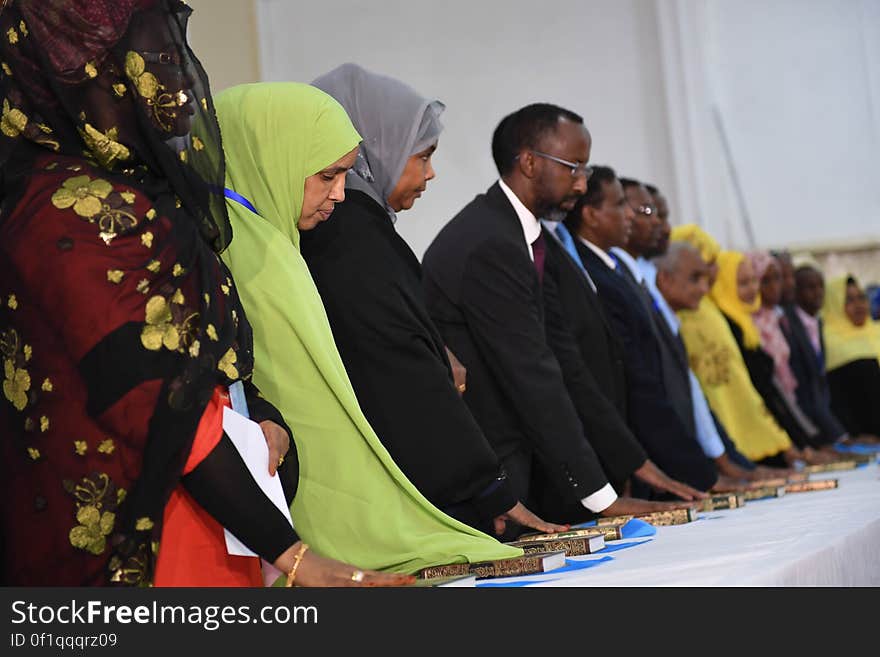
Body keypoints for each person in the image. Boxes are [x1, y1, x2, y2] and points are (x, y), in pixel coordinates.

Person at [0, 0, 410, 587]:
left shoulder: (95, 197)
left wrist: (255, 409)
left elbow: (197, 360)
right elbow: (158, 393)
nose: (176, 91)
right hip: (142, 544)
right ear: (85, 79)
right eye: (147, 62)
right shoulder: (77, 209)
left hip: (205, 515)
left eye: (172, 59)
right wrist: (297, 556)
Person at [215, 81, 522, 572]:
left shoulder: (270, 239)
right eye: (328, 175)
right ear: (274, 155)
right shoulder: (255, 252)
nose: (340, 193)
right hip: (264, 526)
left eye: (346, 174)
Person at [300, 63, 561, 537]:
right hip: (411, 491)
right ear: (379, 147)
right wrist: (486, 488)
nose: (432, 172)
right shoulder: (351, 236)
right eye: (422, 155)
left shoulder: (352, 229)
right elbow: (403, 372)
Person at [422, 104, 684, 532]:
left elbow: (562, 359)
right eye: (573, 168)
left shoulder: (520, 234)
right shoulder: (491, 242)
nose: (582, 184)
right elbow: (532, 373)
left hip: (519, 463)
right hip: (490, 477)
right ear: (528, 162)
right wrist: (600, 497)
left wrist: (626, 466)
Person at [563, 169, 720, 493]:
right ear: (590, 215)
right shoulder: (594, 276)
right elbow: (637, 379)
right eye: (623, 206)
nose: (632, 217)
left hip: (660, 451)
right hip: (637, 452)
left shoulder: (615, 269)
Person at [672, 227, 800, 467]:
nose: (714, 270)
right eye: (705, 265)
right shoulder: (694, 315)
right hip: (718, 447)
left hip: (745, 441)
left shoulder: (711, 313)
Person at [712, 251, 834, 457]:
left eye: (753, 281)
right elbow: (765, 392)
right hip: (752, 441)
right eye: (745, 283)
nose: (754, 289)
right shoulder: (735, 326)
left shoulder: (772, 322)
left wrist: (808, 442)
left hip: (785, 436)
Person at [754, 256, 850, 447]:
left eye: (783, 277)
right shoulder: (775, 324)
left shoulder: (799, 322)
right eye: (768, 280)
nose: (785, 284)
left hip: (811, 429)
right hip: (795, 431)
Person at [822, 274, 880, 438]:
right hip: (866, 437)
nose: (859, 305)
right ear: (834, 304)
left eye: (861, 297)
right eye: (848, 300)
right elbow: (837, 400)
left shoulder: (876, 331)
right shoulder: (828, 340)